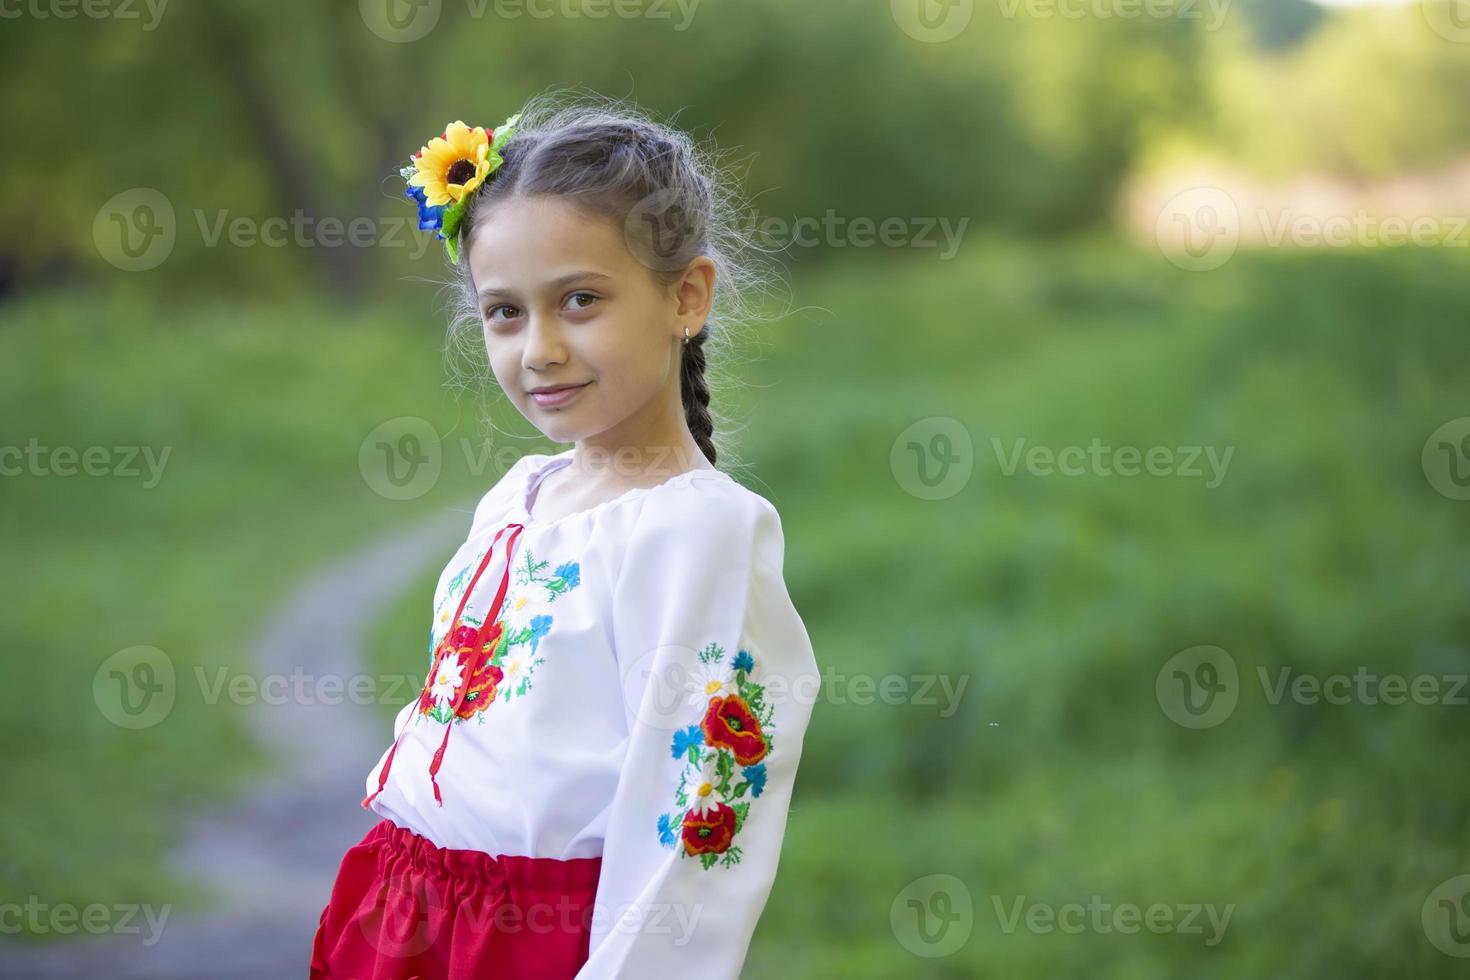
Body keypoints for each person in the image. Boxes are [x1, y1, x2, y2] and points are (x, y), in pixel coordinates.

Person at [309, 93, 819, 979]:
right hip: (407, 916)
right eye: (505, 313)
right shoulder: (521, 496)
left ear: (686, 297)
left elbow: (691, 840)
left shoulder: (698, 531)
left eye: (578, 300)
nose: (538, 348)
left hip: (528, 948)